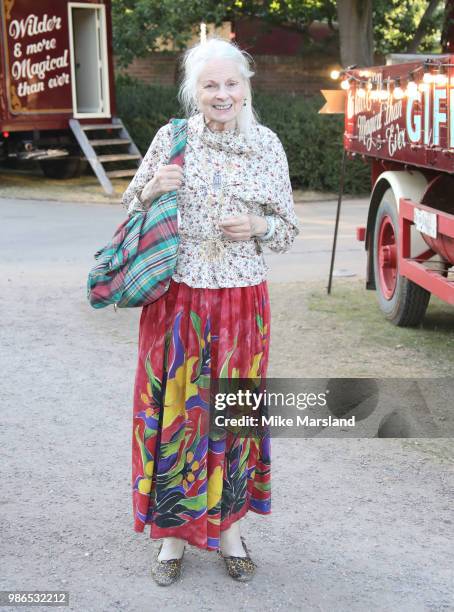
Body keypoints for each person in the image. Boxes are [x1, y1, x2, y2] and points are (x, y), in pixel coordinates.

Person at [121, 36, 300, 585]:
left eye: (231, 83)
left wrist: (258, 227)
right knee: (177, 411)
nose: (221, 94)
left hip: (242, 300)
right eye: (210, 85)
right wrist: (152, 187)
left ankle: (229, 531)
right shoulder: (170, 139)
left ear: (246, 88)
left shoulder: (267, 145)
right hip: (177, 298)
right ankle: (173, 535)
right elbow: (131, 208)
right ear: (192, 92)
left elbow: (288, 229)